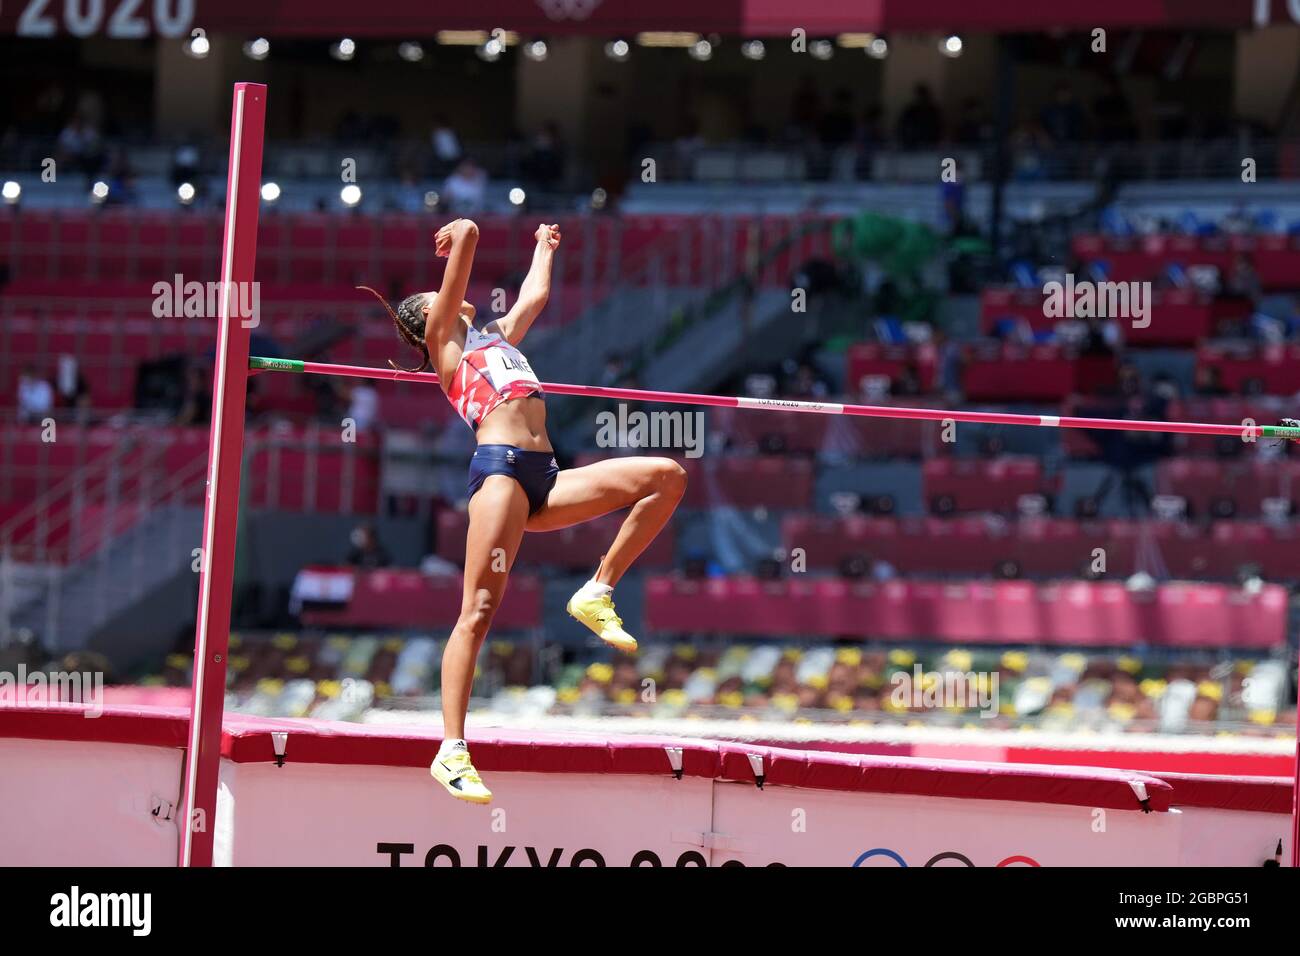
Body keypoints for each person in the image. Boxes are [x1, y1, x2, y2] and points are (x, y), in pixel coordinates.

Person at [358, 219, 687, 803]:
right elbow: (461, 266)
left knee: (665, 476)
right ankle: (451, 750)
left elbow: (534, 296)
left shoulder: (496, 338)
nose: (454, 299)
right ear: (426, 318)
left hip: (546, 476)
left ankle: (597, 590)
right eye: (441, 298)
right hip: (502, 472)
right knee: (479, 609)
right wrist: (464, 235)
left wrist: (543, 248)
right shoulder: (444, 342)